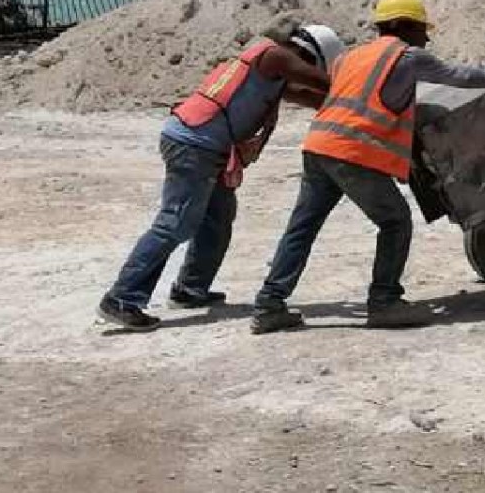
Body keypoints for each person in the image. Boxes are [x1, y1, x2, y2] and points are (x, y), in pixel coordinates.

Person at [250, 0, 485, 335]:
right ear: (403, 26)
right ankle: (384, 301)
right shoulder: (407, 58)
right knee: (395, 221)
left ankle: (269, 303)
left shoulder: (350, 57)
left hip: (319, 145)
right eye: (422, 29)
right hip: (351, 153)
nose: (426, 36)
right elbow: (457, 76)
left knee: (302, 227)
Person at [97, 19, 345, 331]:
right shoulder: (274, 56)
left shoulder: (273, 73)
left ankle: (190, 288)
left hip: (202, 144)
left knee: (218, 217)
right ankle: (122, 298)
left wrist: (354, 107)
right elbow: (329, 86)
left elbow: (320, 98)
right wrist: (361, 87)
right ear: (309, 55)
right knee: (176, 223)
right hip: (193, 145)